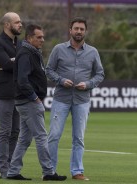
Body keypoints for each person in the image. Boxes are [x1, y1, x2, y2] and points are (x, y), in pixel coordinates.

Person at [45, 17, 105, 181]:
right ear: (70, 30)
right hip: (61, 99)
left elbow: (100, 74)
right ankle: (50, 171)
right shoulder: (59, 49)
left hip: (82, 100)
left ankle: (77, 171)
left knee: (78, 138)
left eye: (81, 29)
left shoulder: (92, 52)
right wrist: (61, 80)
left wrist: (88, 84)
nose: (79, 31)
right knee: (54, 135)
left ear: (85, 32)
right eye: (76, 28)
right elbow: (49, 70)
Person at [6, 24, 67, 181]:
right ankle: (48, 171)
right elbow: (22, 80)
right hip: (29, 101)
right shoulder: (26, 53)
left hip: (25, 101)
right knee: (41, 136)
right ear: (29, 38)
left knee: (25, 139)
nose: (42, 40)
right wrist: (34, 97)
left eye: (43, 37)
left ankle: (13, 171)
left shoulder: (31, 52)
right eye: (39, 37)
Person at [0, 12, 22, 179]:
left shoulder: (21, 44)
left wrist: (12, 61)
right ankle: (4, 170)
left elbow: (14, 64)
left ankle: (12, 168)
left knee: (16, 131)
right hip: (4, 94)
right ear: (7, 25)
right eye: (17, 22)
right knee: (5, 132)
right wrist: (17, 61)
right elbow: (7, 65)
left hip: (19, 94)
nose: (20, 25)